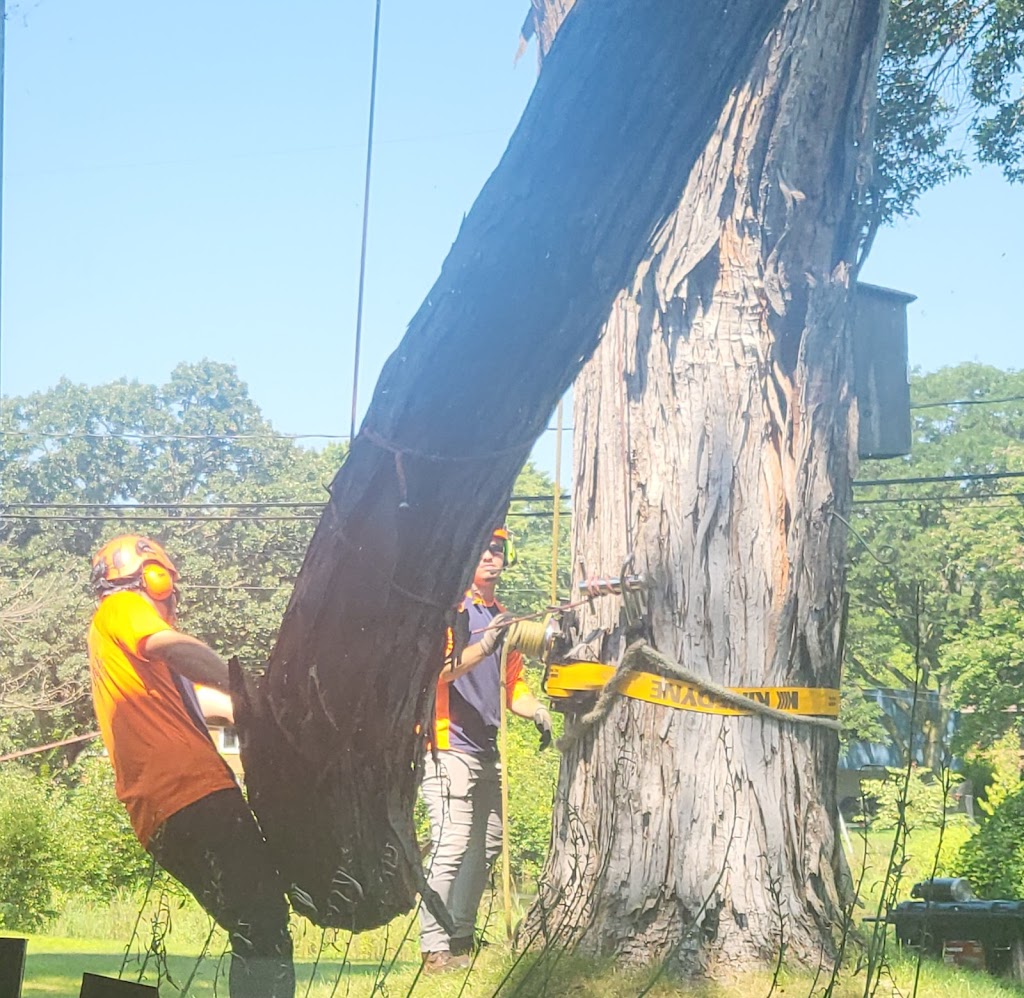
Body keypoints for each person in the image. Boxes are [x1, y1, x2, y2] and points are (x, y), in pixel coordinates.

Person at [86, 534, 294, 998]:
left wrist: (265, 710)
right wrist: (245, 683)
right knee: (261, 921)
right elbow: (176, 647)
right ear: (152, 579)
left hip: (165, 809)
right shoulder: (122, 608)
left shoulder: (130, 659)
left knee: (254, 921)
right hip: (191, 793)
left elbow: (207, 702)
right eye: (167, 583)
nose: (173, 596)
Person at [419, 527, 553, 973]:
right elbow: (439, 672)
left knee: (488, 843)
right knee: (451, 844)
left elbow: (512, 686)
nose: (491, 556)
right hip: (447, 746)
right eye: (483, 549)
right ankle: (433, 948)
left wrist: (536, 710)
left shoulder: (502, 617)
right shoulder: (451, 611)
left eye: (498, 549)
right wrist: (485, 644)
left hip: (486, 749)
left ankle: (460, 936)